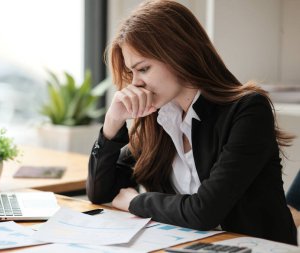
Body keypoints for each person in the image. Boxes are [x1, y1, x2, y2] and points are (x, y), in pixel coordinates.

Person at [86, 0, 297, 245]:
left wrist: (135, 202)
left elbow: (204, 211)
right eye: (132, 72)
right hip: (186, 247)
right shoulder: (161, 116)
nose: (136, 83)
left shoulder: (248, 110)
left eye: (143, 69)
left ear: (179, 53)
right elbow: (100, 193)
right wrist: (112, 123)